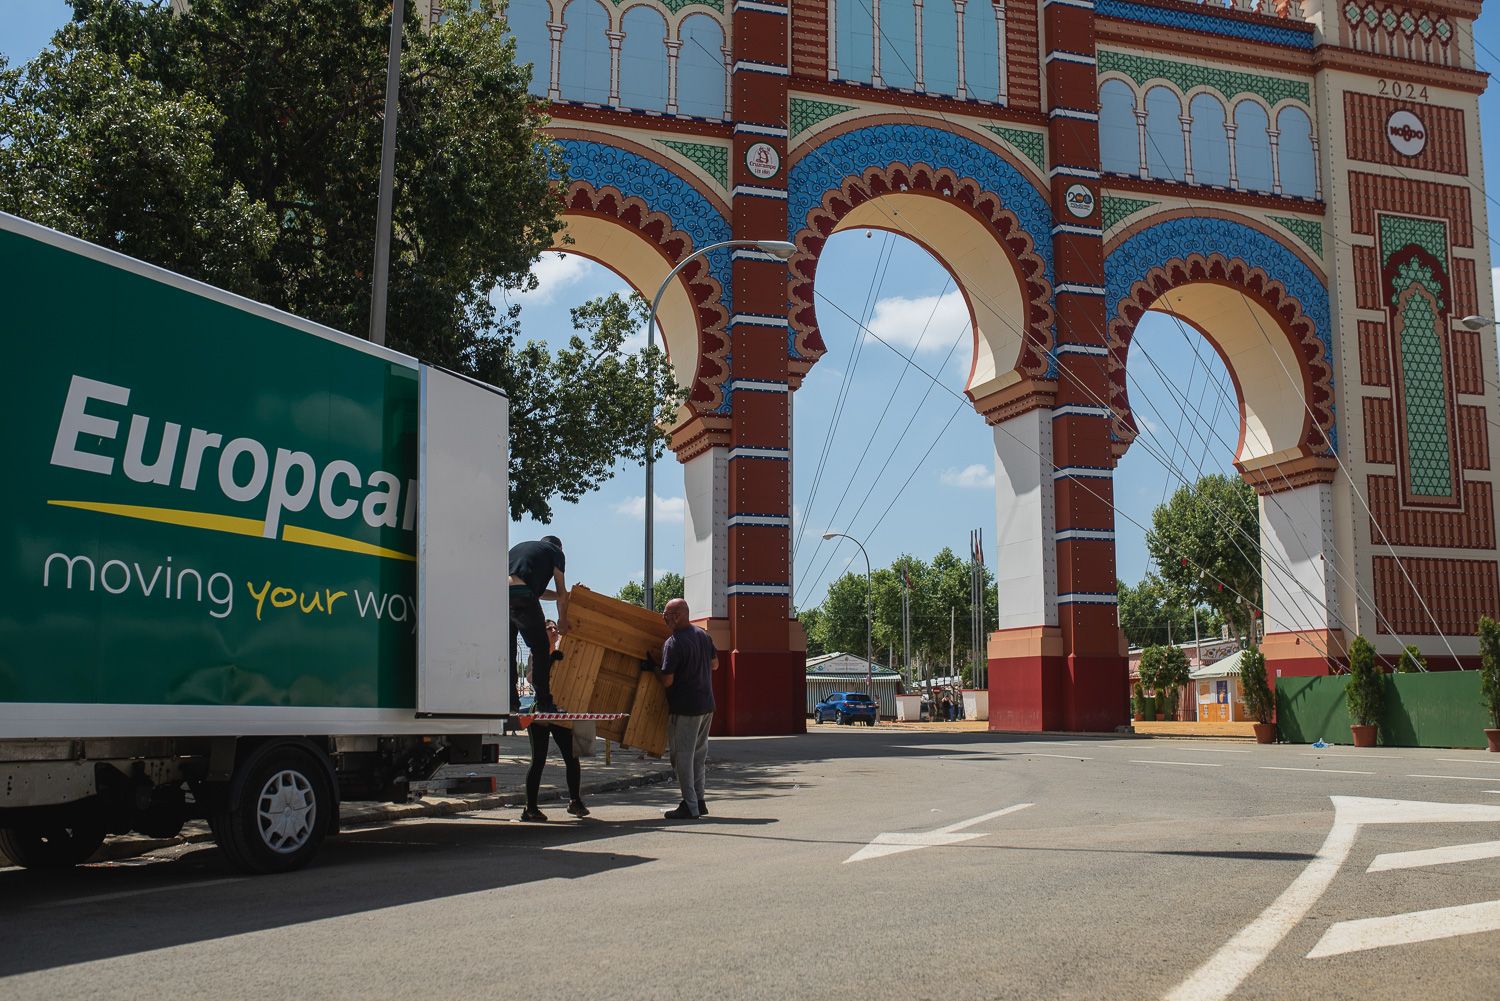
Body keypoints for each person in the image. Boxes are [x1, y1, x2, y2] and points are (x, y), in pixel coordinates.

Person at [648, 597, 716, 819]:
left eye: (666, 615)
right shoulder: (703, 636)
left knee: (682, 758)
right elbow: (715, 664)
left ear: (677, 616)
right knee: (698, 756)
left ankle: (689, 806)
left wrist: (653, 669)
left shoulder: (673, 643)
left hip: (685, 708)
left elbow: (667, 680)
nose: (663, 619)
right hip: (706, 705)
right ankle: (700, 801)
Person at [509, 536, 569, 713]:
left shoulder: (524, 550)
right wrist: (563, 621)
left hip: (502, 595)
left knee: (509, 650)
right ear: (560, 547)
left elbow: (541, 593)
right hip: (523, 594)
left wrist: (562, 595)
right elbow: (561, 591)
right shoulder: (556, 552)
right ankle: (545, 703)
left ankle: (510, 703)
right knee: (541, 648)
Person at [521, 717, 588, 822]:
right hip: (549, 715)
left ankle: (575, 801)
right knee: (541, 760)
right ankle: (531, 808)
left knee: (569, 757)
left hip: (549, 715)